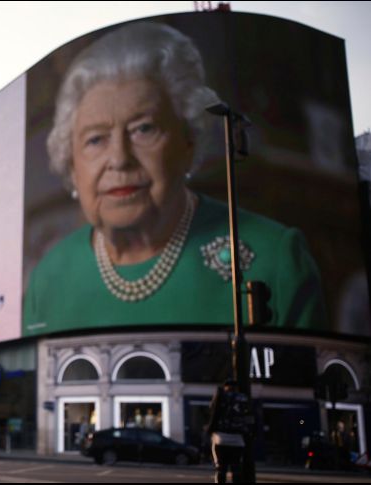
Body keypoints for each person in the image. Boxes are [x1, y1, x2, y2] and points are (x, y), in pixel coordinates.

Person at [22, 21, 327, 334]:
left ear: (188, 141)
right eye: (96, 139)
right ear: (72, 165)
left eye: (144, 129)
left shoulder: (275, 259)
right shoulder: (48, 279)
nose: (119, 159)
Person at [207, 380, 252, 483]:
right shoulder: (243, 398)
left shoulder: (221, 396)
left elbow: (213, 411)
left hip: (221, 438)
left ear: (225, 387)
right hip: (238, 439)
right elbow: (249, 416)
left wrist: (209, 430)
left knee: (221, 469)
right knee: (236, 468)